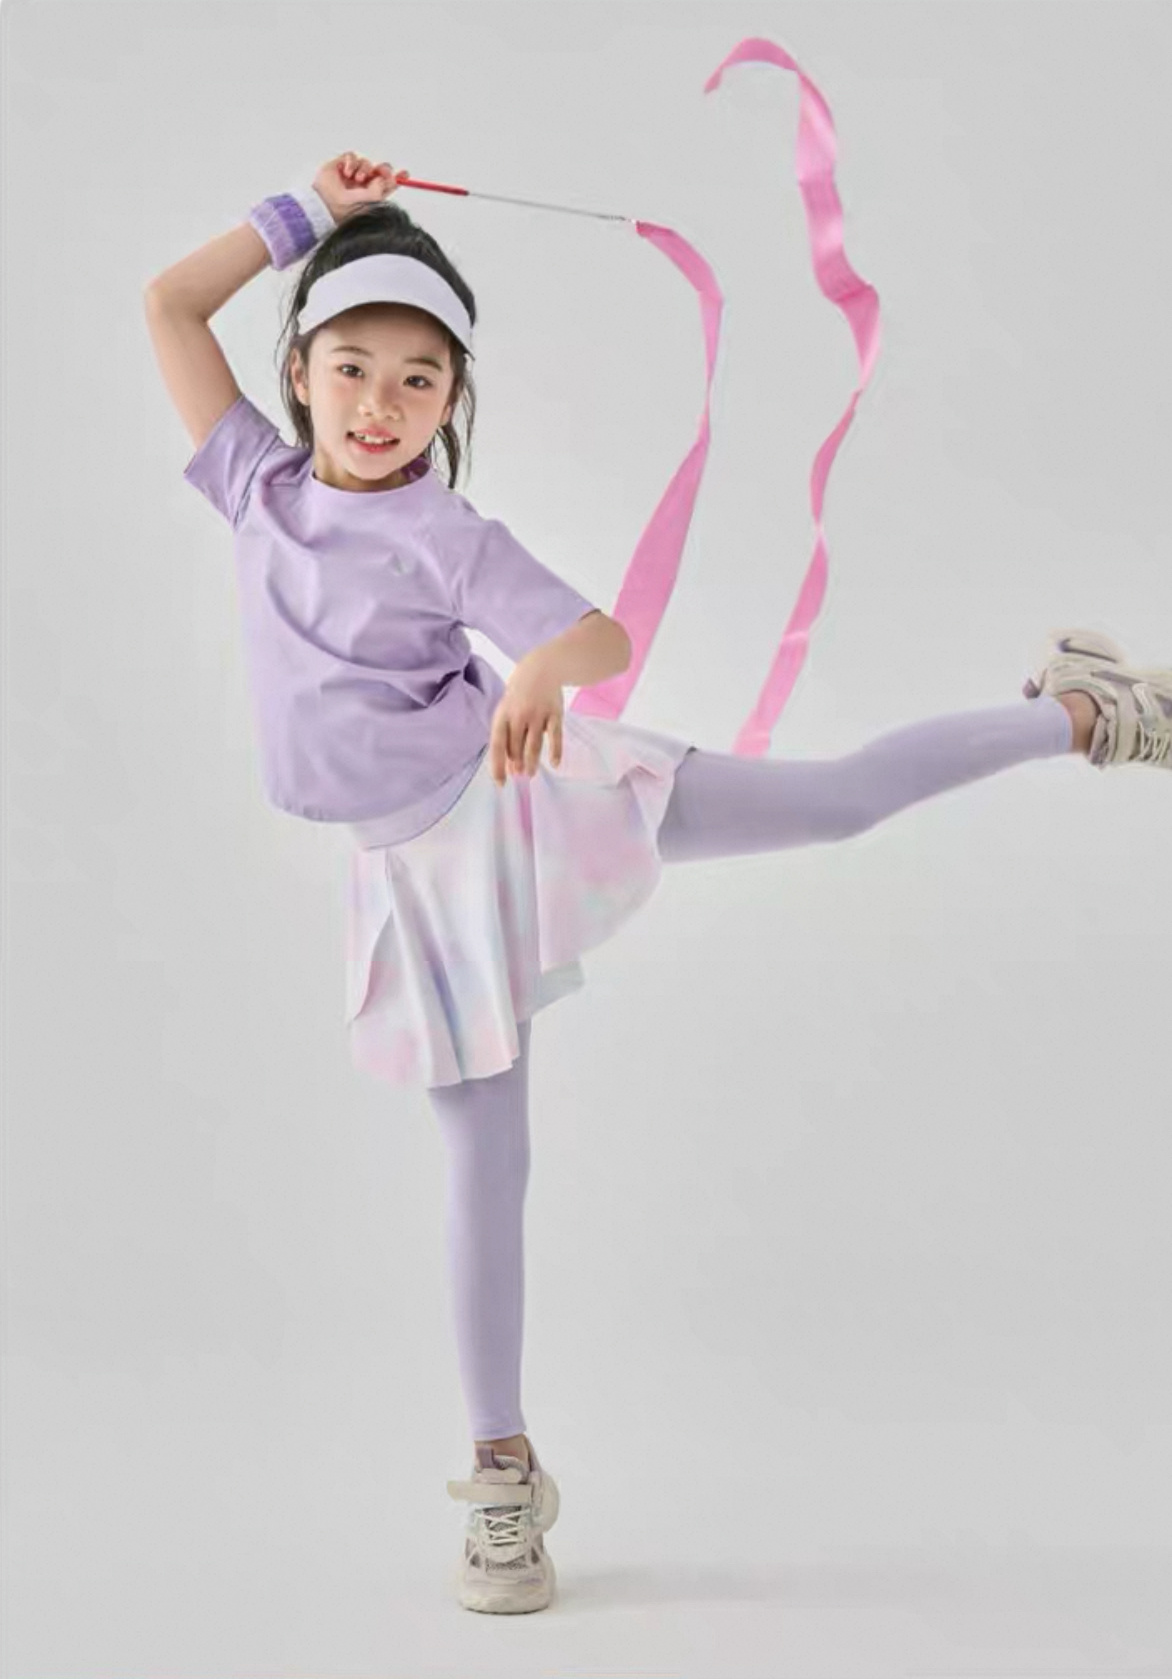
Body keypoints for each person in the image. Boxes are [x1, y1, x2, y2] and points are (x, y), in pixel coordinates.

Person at [143, 151, 1171, 1617]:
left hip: (524, 801)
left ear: (453, 404)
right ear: (297, 373)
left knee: (832, 804)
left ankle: (1081, 712)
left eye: (420, 382)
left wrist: (537, 676)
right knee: (486, 1164)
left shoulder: (442, 532)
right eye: (352, 368)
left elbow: (599, 639)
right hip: (419, 885)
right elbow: (170, 307)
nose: (380, 404)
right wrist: (306, 211)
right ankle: (502, 1472)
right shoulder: (257, 485)